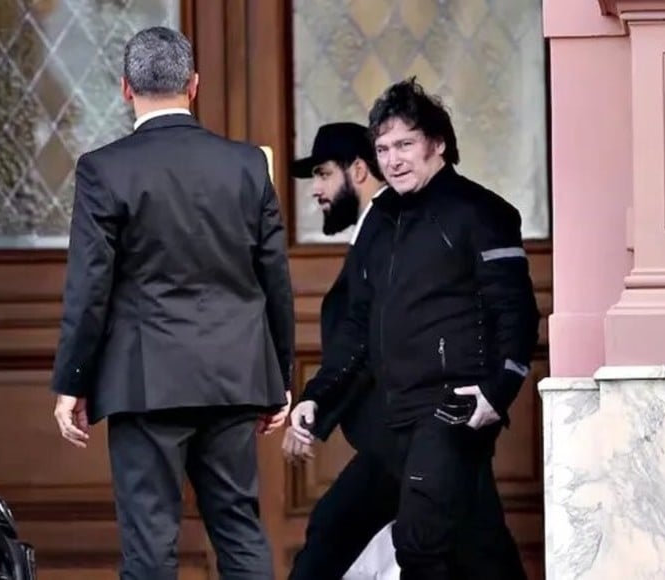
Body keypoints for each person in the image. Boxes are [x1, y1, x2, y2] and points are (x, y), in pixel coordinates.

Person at [49, 26, 293, 580]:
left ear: (125, 88)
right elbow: (274, 276)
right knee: (239, 531)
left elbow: (90, 285)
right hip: (234, 375)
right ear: (194, 84)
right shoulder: (247, 164)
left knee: (150, 543)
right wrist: (280, 375)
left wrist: (72, 380)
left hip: (145, 380)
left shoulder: (104, 169)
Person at [285, 77, 539, 579]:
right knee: (339, 527)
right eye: (383, 149)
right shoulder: (380, 221)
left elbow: (517, 312)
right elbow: (357, 327)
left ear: (437, 144)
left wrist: (497, 394)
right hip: (392, 419)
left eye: (405, 145)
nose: (394, 159)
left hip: (449, 412)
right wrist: (317, 396)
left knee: (422, 545)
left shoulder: (480, 212)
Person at [283, 122, 401, 580]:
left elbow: (365, 336)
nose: (315, 190)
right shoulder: (377, 227)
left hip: (398, 435)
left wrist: (316, 402)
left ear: (358, 169)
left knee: (329, 536)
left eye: (323, 173)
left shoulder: (387, 228)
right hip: (397, 438)